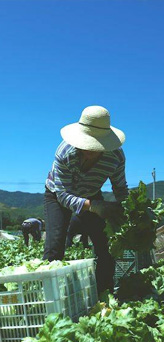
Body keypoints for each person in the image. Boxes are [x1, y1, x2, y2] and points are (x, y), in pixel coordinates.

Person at [43, 105, 128, 293]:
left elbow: (120, 188)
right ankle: (51, 297)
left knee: (105, 246)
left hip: (91, 193)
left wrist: (128, 210)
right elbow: (63, 196)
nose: (89, 150)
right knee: (55, 246)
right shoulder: (65, 153)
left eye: (95, 146)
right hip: (57, 194)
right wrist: (94, 206)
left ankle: (103, 294)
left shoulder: (115, 157)